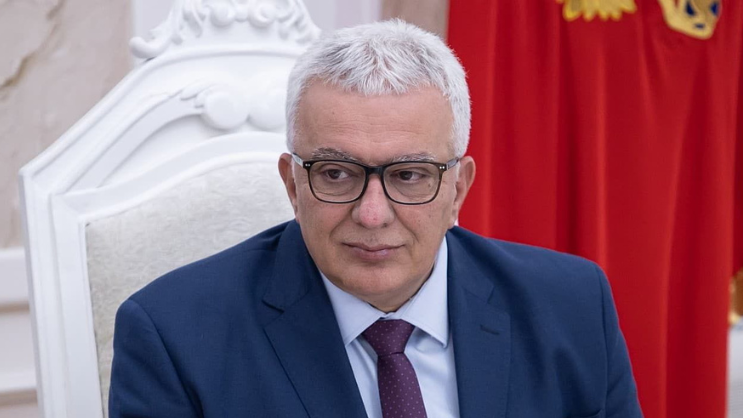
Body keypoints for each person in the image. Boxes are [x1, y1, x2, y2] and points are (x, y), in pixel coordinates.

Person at [109, 19, 643, 418]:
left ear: (457, 189)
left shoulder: (572, 306)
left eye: (409, 175)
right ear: (292, 185)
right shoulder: (173, 336)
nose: (371, 214)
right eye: (336, 173)